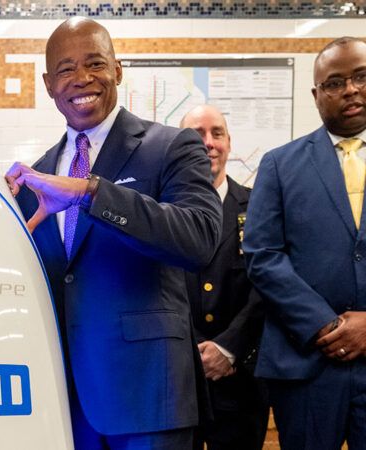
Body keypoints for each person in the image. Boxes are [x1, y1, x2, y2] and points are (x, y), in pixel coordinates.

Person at [5, 17, 222, 449]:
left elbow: (199, 238)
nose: (81, 78)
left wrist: (92, 193)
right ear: (49, 84)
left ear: (118, 70)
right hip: (64, 405)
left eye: (95, 64)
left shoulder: (171, 147)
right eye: (66, 70)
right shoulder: (38, 175)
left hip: (148, 400)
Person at [243, 36, 366, 449]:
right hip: (306, 362)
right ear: (316, 95)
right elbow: (262, 256)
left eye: (361, 77)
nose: (350, 89)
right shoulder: (279, 165)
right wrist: (325, 325)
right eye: (335, 82)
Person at [180, 105, 269, 450]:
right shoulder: (160, 213)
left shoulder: (259, 207)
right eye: (196, 135)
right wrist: (191, 352)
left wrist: (228, 347)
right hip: (180, 389)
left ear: (229, 143)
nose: (208, 143)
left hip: (242, 387)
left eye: (217, 133)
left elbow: (267, 287)